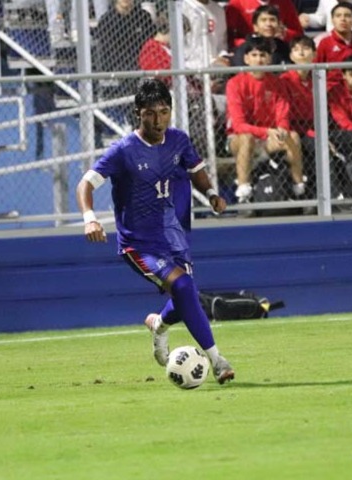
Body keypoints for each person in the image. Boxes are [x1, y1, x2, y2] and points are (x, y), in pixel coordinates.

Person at [75, 78, 235, 384]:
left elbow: (196, 170)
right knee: (184, 287)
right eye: (150, 113)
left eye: (164, 112)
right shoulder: (123, 150)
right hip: (139, 244)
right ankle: (217, 360)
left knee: (186, 296)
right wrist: (90, 218)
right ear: (138, 113)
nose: (158, 120)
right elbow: (85, 184)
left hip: (174, 237)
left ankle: (159, 324)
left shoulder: (179, 141)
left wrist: (211, 193)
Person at [226, 37, 305, 205]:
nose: (259, 59)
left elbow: (282, 115)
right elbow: (239, 125)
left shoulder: (277, 83)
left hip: (269, 138)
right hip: (238, 139)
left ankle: (298, 188)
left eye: (263, 55)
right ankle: (243, 192)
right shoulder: (234, 83)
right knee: (247, 138)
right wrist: (266, 131)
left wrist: (282, 129)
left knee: (293, 136)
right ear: (246, 59)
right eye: (254, 55)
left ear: (269, 58)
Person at [95, 0, 156, 128]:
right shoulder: (107, 20)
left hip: (142, 62)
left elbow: (150, 43)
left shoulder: (143, 17)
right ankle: (134, 122)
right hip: (118, 65)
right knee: (131, 81)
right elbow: (107, 51)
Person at [279, 36, 317, 185]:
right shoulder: (285, 80)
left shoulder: (319, 78)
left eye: (306, 48)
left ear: (314, 54)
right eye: (296, 50)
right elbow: (285, 115)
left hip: (315, 128)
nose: (301, 53)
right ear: (291, 56)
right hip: (294, 129)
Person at [315, 2, 352, 90]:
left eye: (347, 16)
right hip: (333, 91)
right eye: (338, 16)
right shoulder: (324, 42)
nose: (343, 19)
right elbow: (316, 70)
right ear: (332, 20)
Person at [226, 0, 303, 49]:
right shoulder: (237, 3)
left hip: (278, 50)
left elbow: (298, 34)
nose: (268, 24)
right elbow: (226, 36)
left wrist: (285, 34)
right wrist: (247, 44)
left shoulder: (285, 2)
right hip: (247, 52)